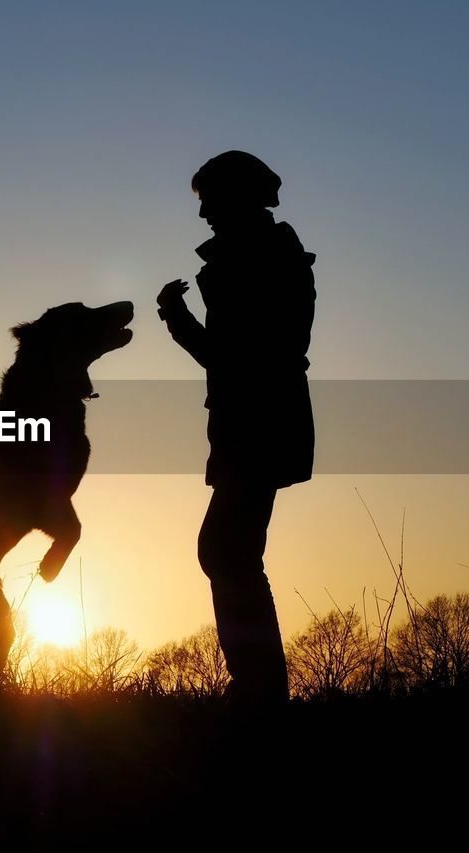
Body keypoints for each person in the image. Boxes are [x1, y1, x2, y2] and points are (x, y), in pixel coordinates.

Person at [156, 150, 316, 708]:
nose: (203, 216)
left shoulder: (263, 258)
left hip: (259, 424)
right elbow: (234, 357)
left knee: (227, 550)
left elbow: (239, 357)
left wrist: (177, 320)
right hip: (253, 422)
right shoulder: (260, 255)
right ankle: (258, 690)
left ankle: (260, 693)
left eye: (209, 201)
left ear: (237, 197)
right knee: (229, 550)